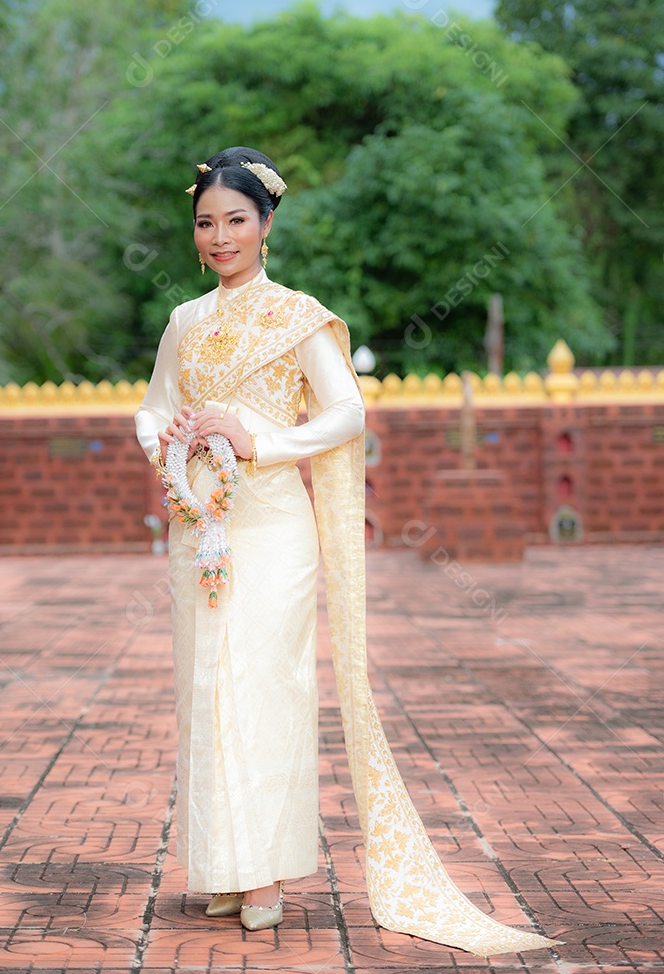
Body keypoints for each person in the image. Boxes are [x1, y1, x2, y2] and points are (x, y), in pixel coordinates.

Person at [135, 146, 563, 954]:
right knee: (206, 688)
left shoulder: (298, 316)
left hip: (270, 526)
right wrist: (174, 442)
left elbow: (347, 414)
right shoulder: (184, 322)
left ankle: (264, 873)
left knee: (261, 687)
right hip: (200, 528)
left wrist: (255, 441)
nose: (219, 237)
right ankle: (225, 867)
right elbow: (151, 409)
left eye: (235, 221)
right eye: (205, 223)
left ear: (264, 225)